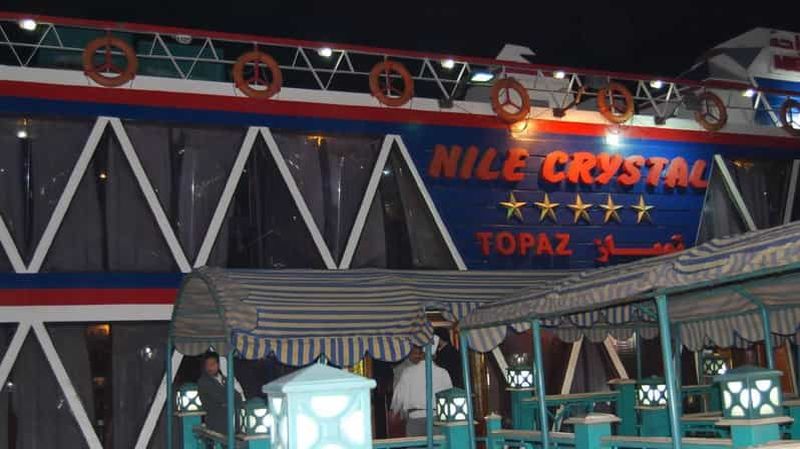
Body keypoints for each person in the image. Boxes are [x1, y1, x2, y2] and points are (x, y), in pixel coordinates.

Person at [390, 343, 453, 437]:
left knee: (416, 444)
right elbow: (449, 396)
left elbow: (398, 397)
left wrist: (394, 411)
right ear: (435, 356)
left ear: (421, 354)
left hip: (415, 417)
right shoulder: (443, 373)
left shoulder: (408, 372)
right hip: (436, 418)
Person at [197, 351, 245, 434]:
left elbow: (238, 397)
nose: (209, 367)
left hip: (233, 422)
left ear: (218, 365)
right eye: (207, 364)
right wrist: (230, 399)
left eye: (212, 364)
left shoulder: (225, 379)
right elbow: (221, 398)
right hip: (216, 423)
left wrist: (231, 399)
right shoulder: (203, 382)